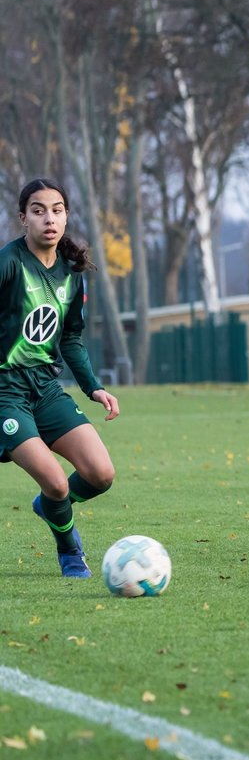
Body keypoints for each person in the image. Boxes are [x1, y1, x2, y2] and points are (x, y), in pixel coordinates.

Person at [3, 179, 120, 577]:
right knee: (56, 484)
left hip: (46, 388)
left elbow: (70, 337)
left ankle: (49, 507)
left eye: (56, 209)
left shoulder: (72, 272)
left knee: (101, 474)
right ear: (23, 218)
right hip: (5, 393)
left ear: (66, 216)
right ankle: (70, 550)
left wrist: (94, 386)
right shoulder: (9, 264)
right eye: (38, 210)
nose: (48, 218)